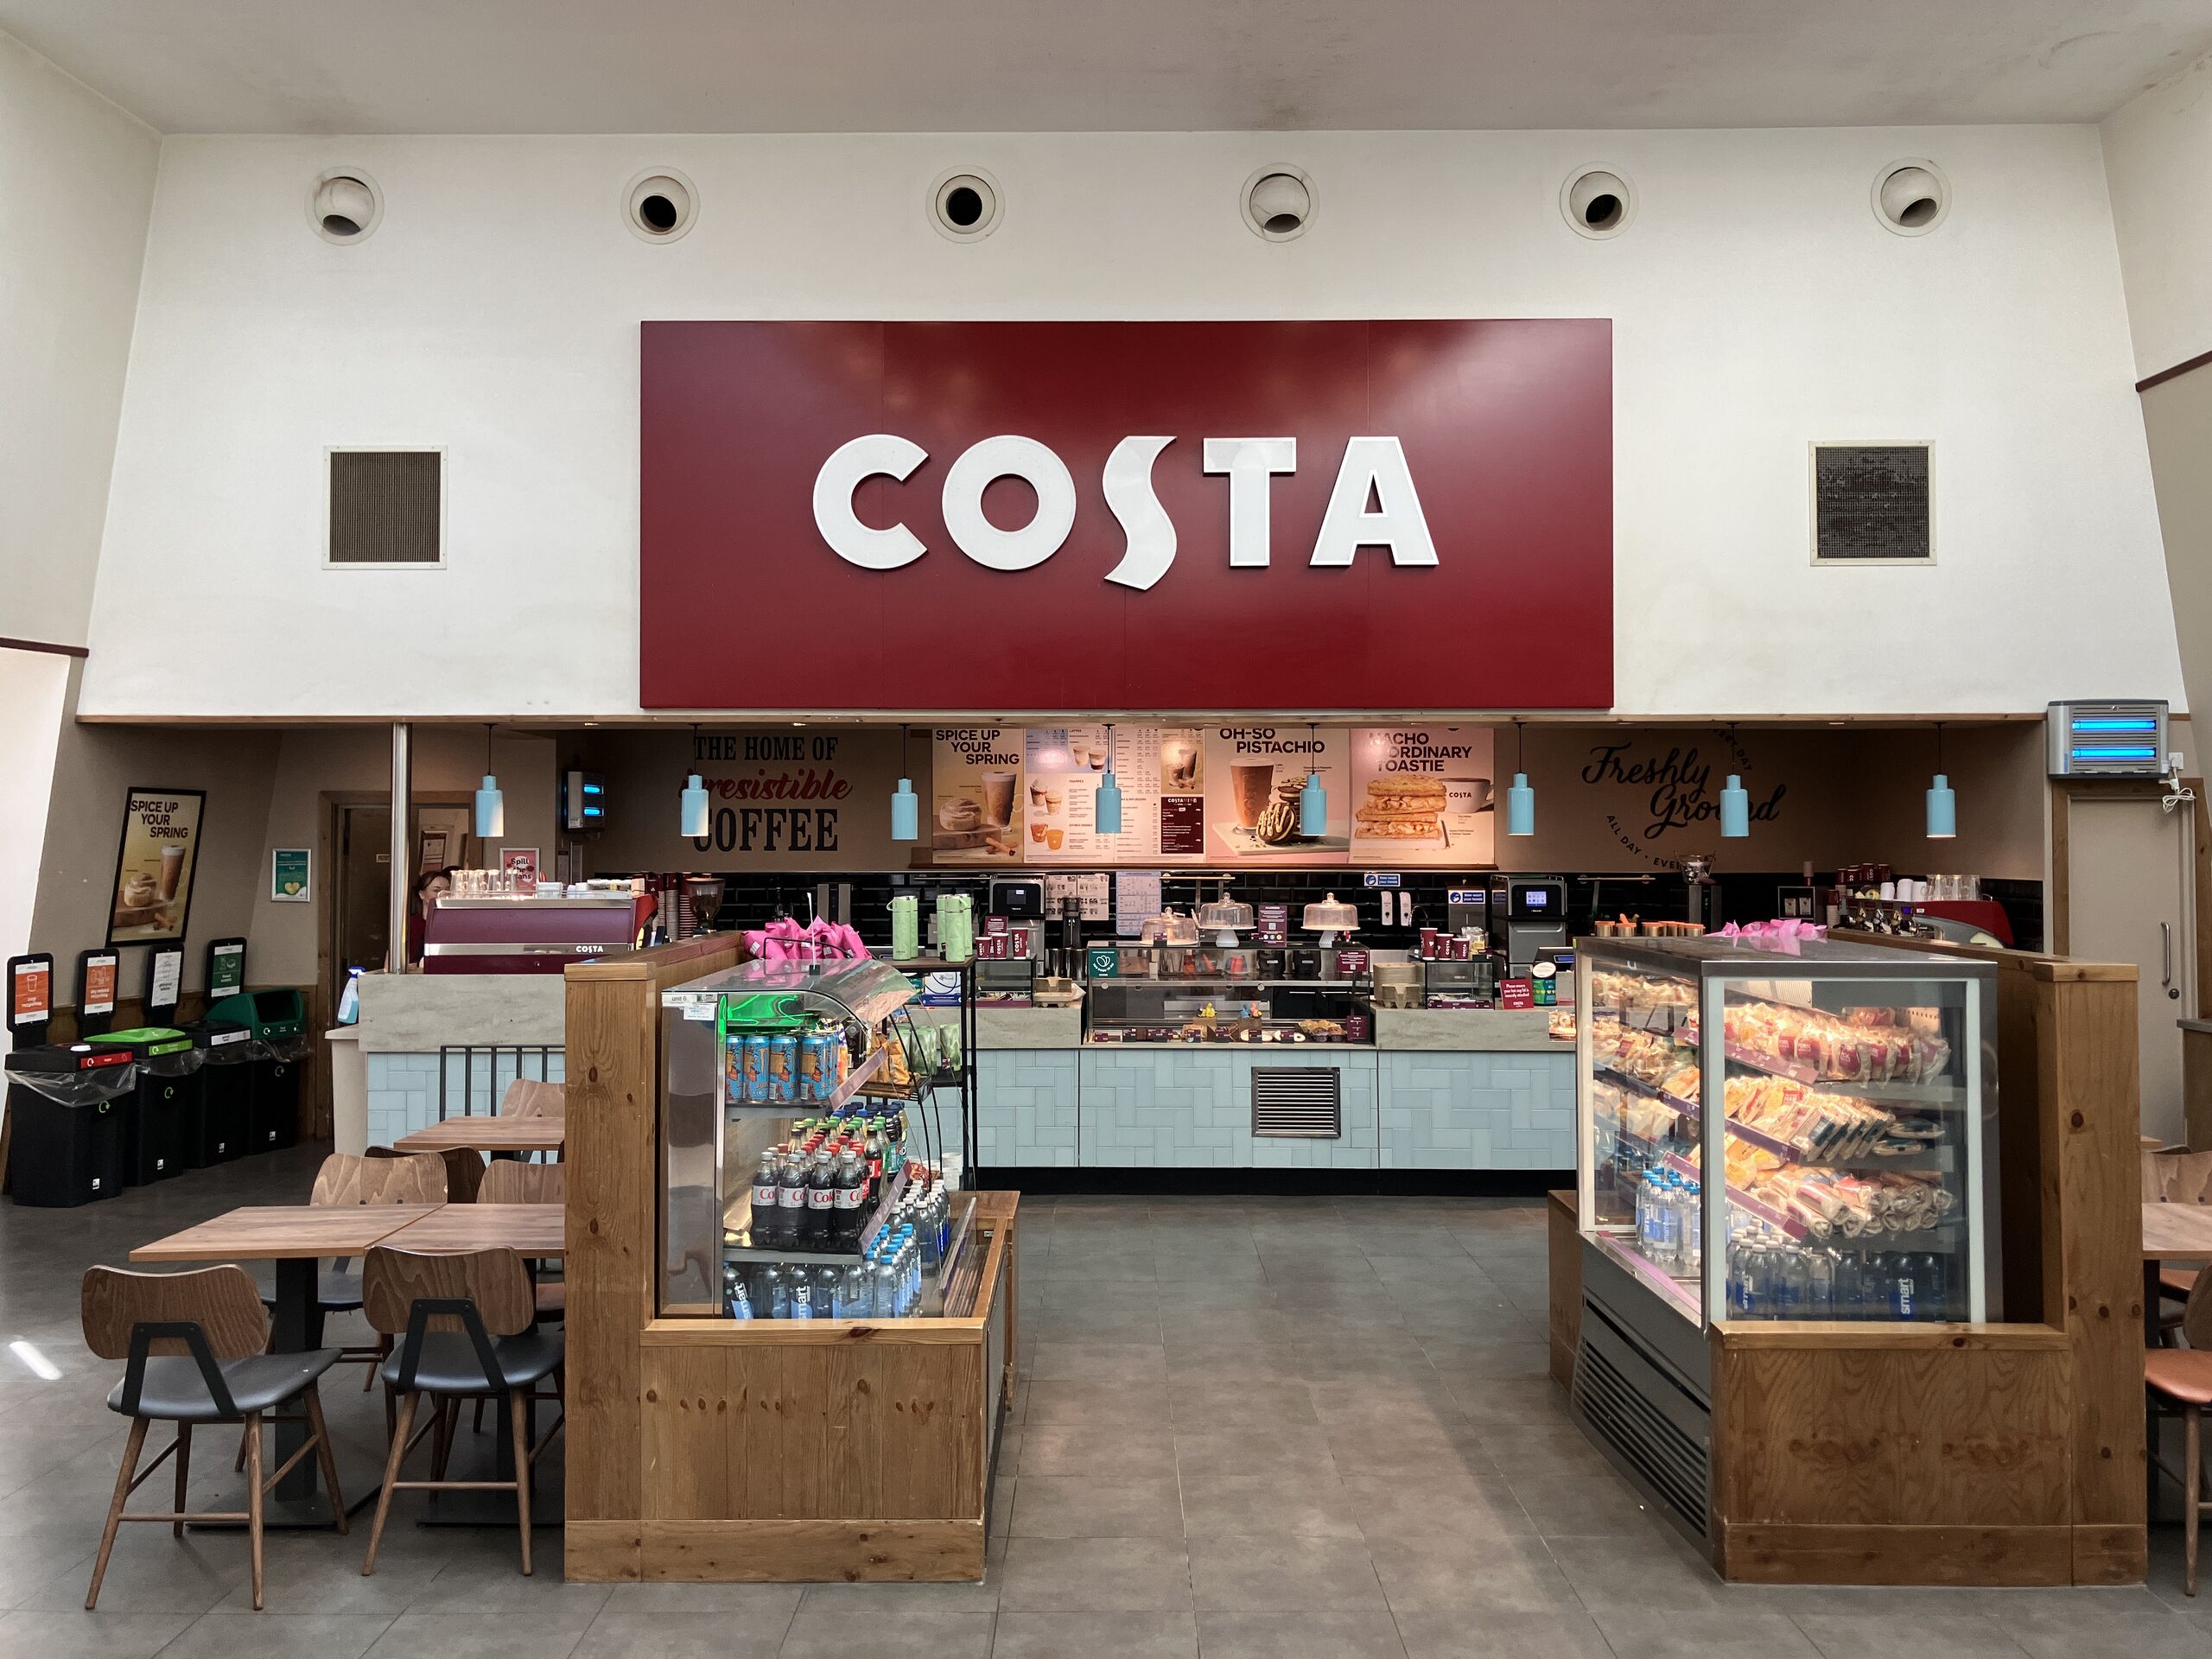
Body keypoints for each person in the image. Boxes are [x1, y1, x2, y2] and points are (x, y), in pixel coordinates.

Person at [405, 866, 458, 967]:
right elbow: (392, 962)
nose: (442, 895)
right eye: (436, 890)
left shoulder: (455, 926)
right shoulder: (409, 925)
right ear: (422, 894)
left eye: (447, 890)